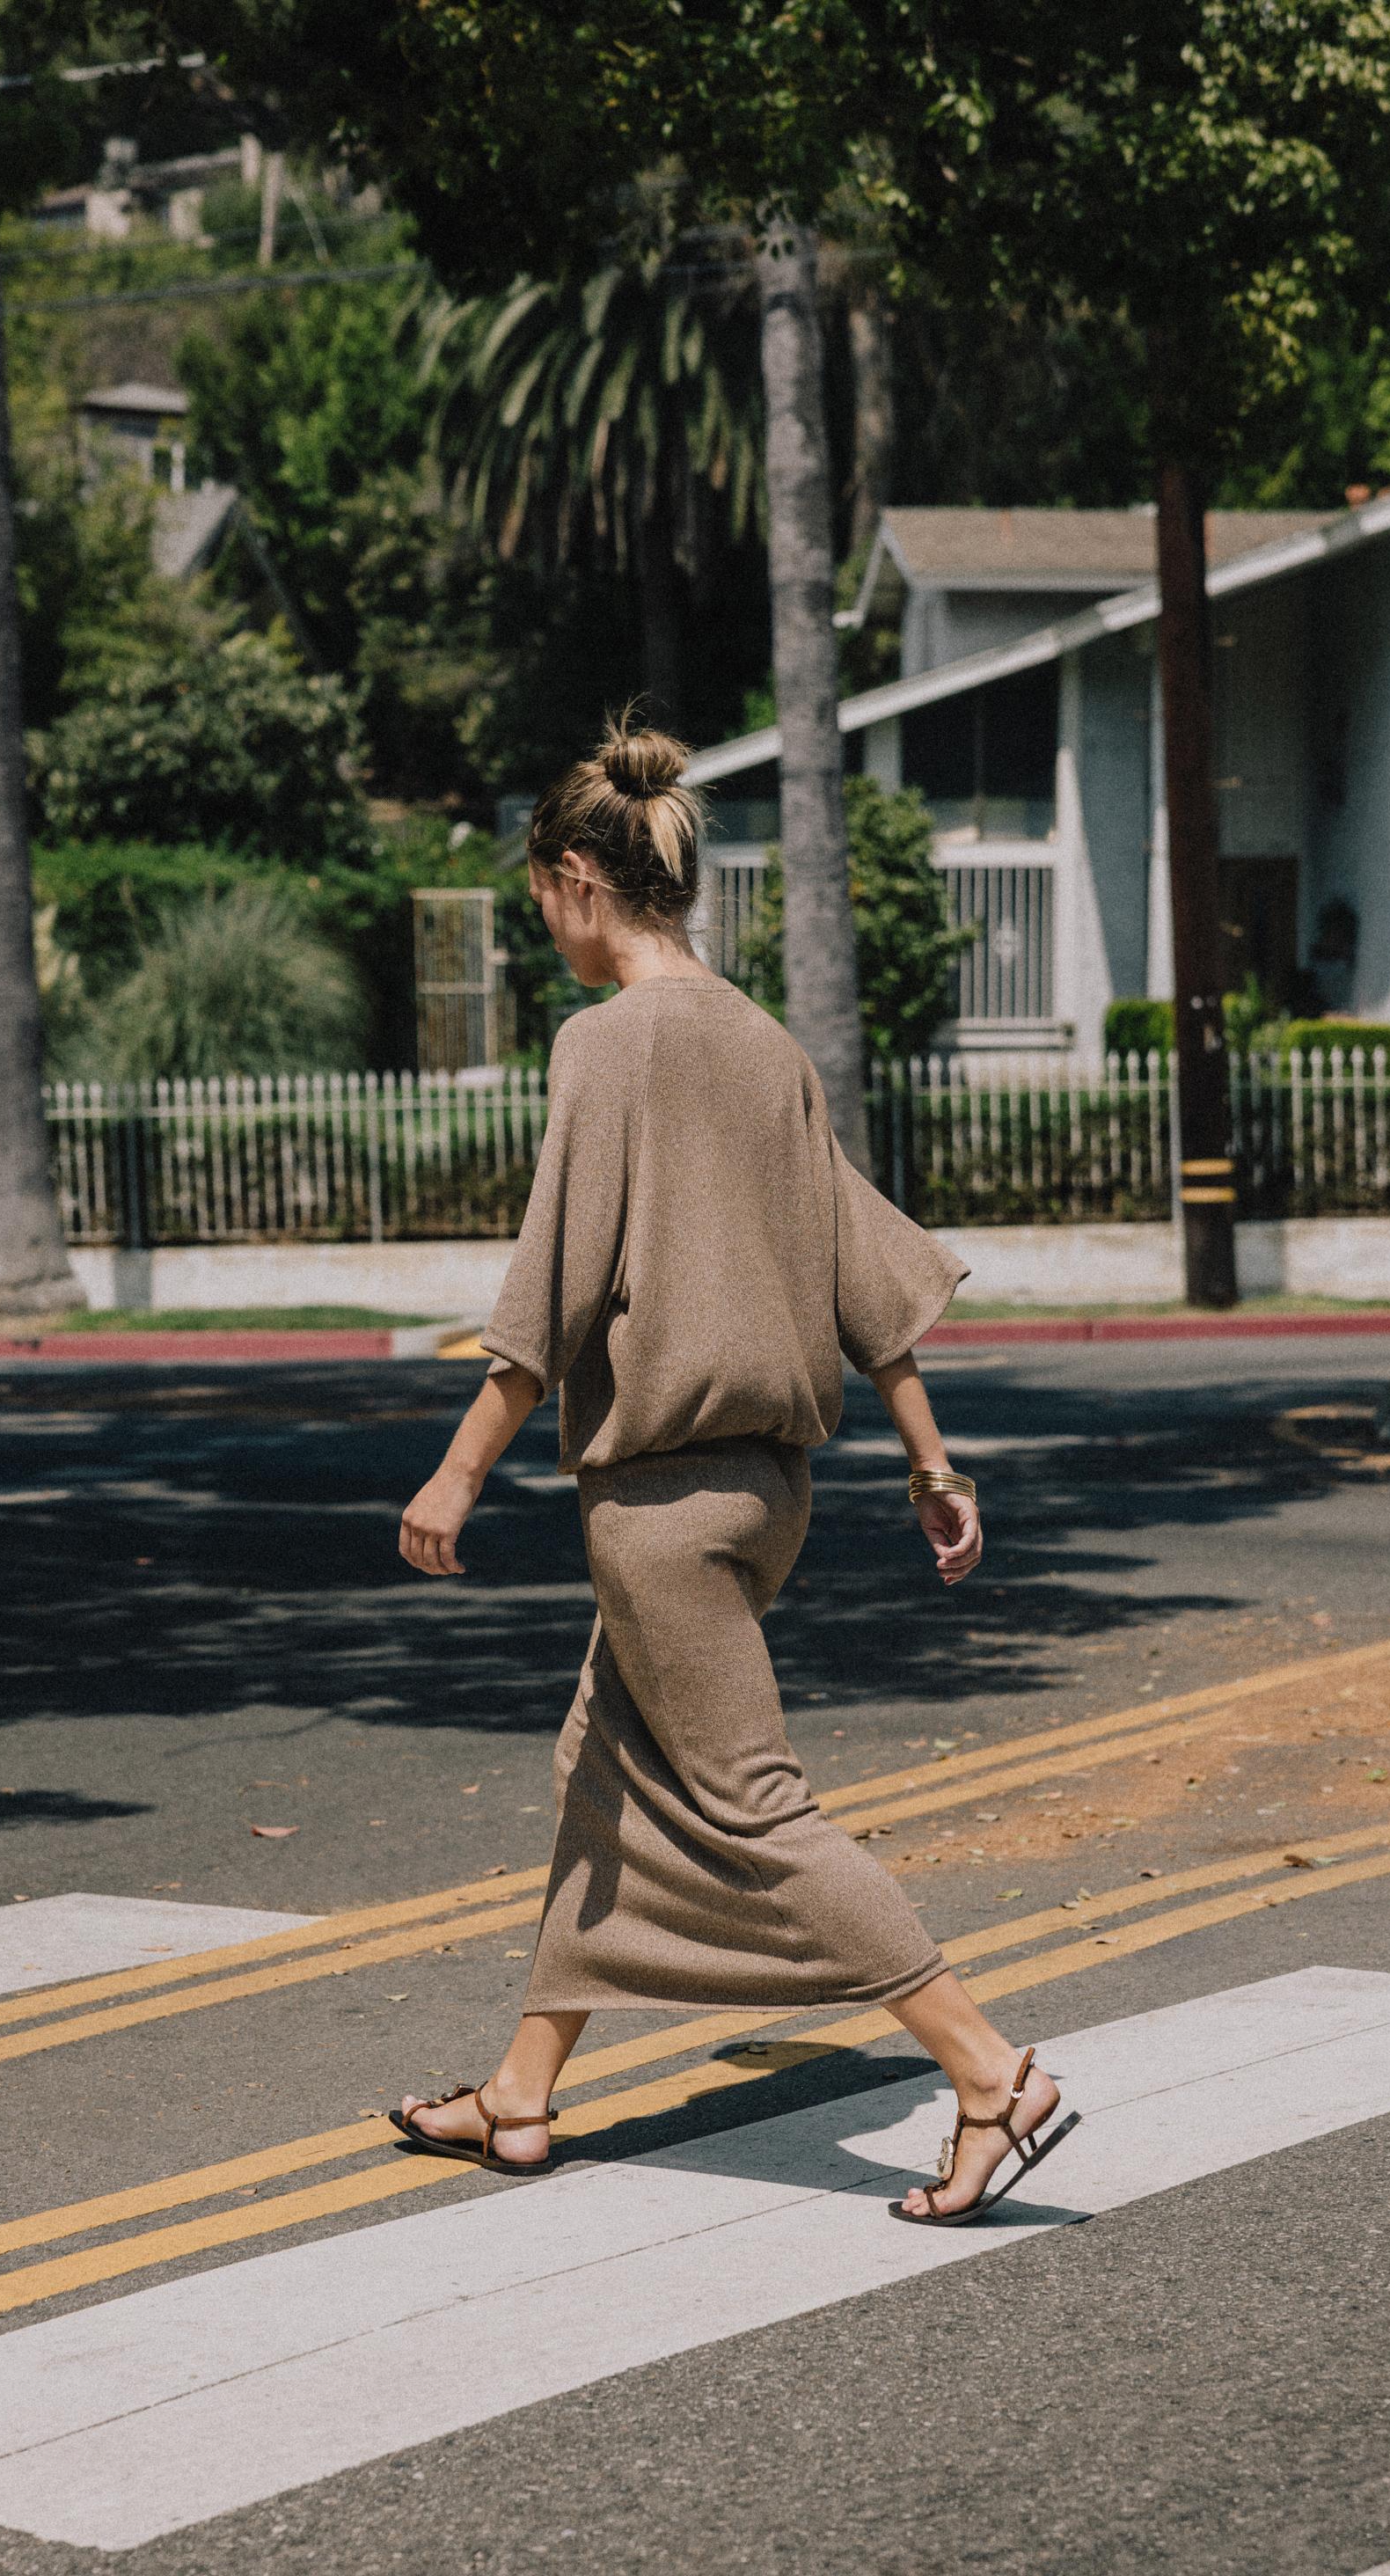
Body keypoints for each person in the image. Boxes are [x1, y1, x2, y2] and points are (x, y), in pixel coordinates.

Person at [391, 720, 1078, 2225]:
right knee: (600, 1775)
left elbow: (546, 1294)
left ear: (581, 879)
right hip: (769, 1497)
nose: (543, 934)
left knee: (756, 1813)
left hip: (659, 1509)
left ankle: (984, 2072)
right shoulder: (765, 1044)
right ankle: (518, 2094)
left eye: (542, 903)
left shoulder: (608, 1045)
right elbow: (864, 1269)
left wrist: (453, 1477)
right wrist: (932, 1465)